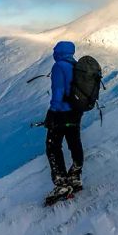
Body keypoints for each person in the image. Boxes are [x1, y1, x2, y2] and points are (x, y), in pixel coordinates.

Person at [44, 41, 84, 201]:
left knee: (53, 145)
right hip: (76, 113)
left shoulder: (59, 66)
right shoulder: (76, 65)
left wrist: (52, 112)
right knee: (74, 143)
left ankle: (61, 184)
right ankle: (75, 177)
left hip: (62, 113)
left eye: (55, 50)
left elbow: (58, 91)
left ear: (59, 52)